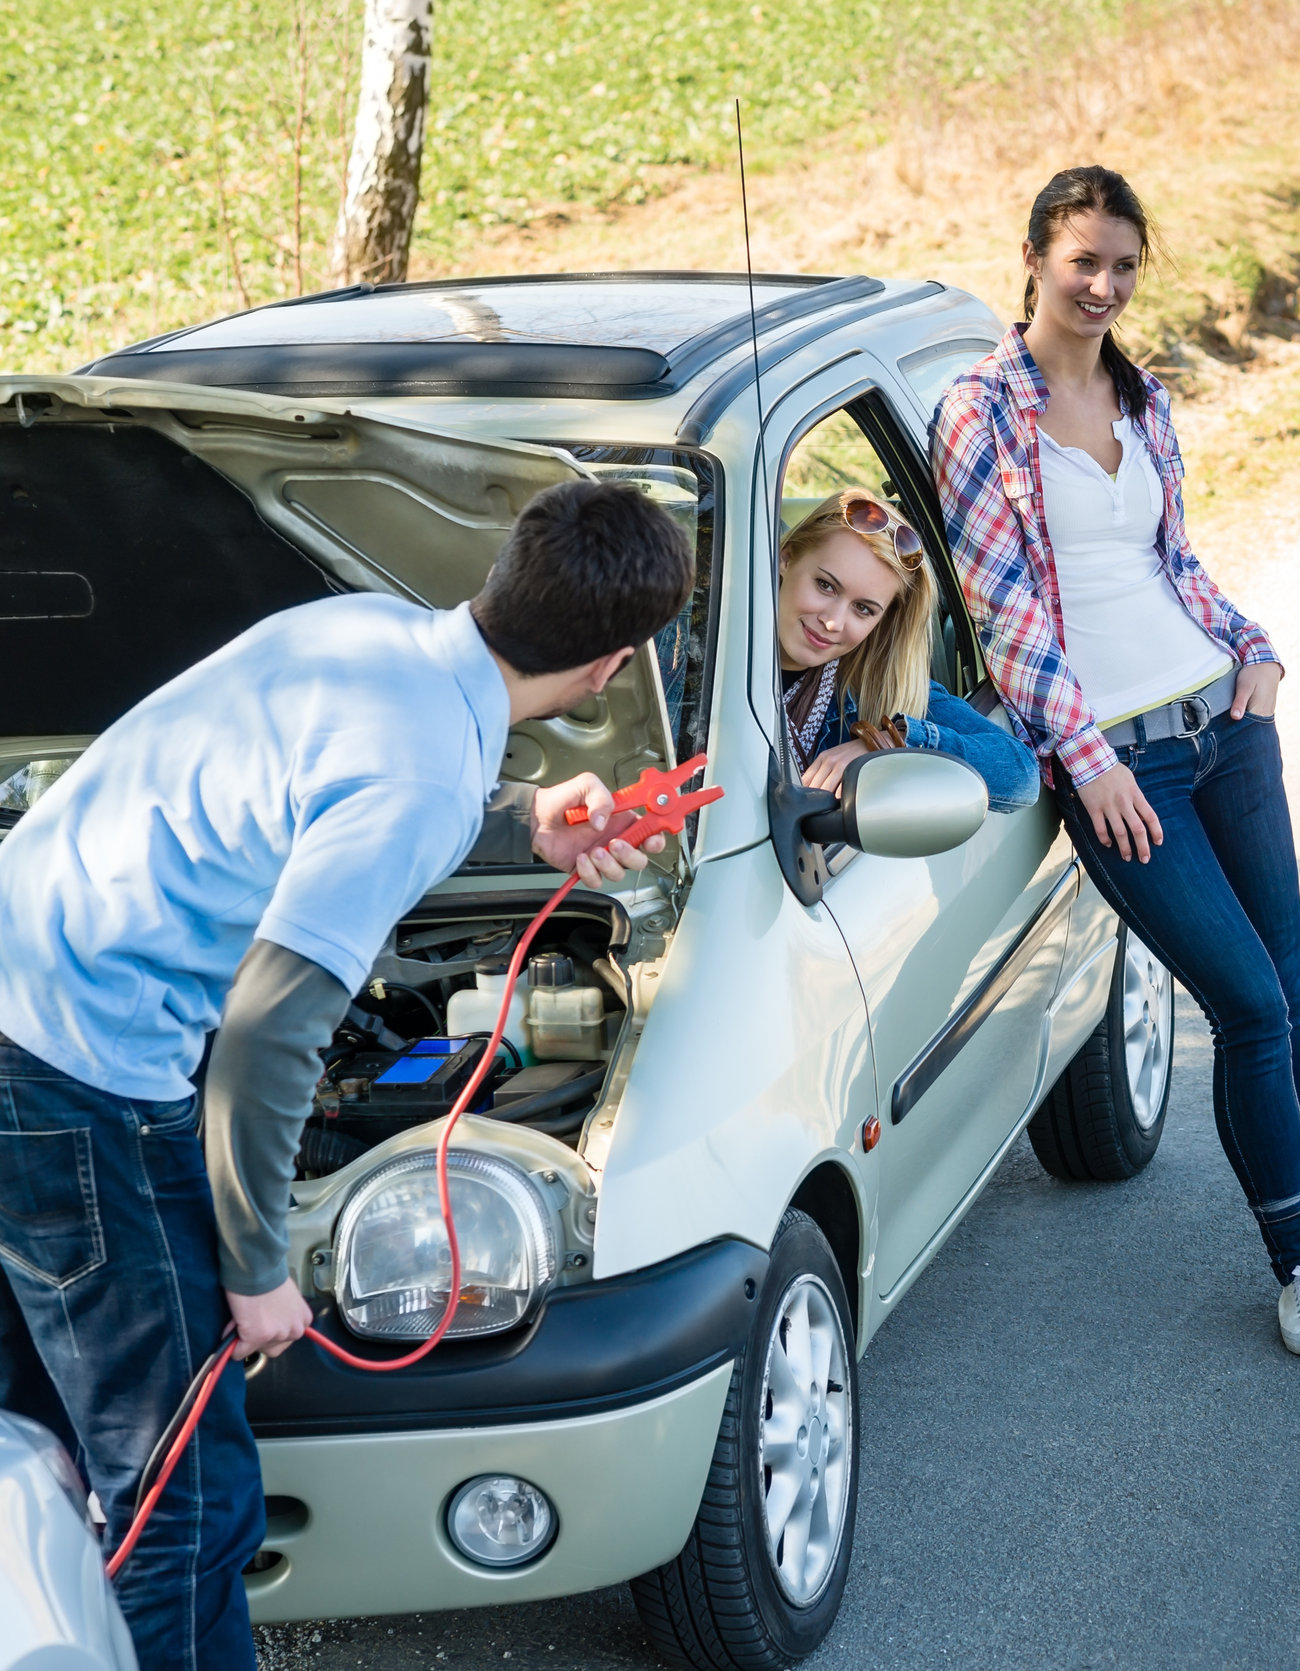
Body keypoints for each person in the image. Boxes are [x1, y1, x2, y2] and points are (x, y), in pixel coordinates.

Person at [0, 479, 693, 1671]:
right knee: (185, 1492)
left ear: (505, 566)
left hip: (22, 997)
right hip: (76, 1078)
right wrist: (261, 1266)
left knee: (33, 1435)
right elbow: (269, 1035)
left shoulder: (356, 628)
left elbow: (327, 787)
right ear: (611, 666)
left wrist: (524, 817)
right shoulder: (417, 774)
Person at [932, 164, 1300, 1361]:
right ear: (1036, 262)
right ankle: (1299, 1267)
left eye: (1121, 265)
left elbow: (1176, 565)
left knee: (1295, 992)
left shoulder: (1144, 399)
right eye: (1081, 263)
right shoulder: (980, 412)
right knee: (1247, 1004)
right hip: (1124, 769)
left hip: (1223, 724)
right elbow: (1007, 615)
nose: (1102, 286)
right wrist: (1084, 756)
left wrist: (1253, 650)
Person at [776, 487, 1037, 812]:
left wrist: (886, 744)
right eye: (825, 586)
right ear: (786, 557)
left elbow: (1021, 776)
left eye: (863, 609)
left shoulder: (873, 689)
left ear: (882, 620)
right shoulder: (703, 648)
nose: (832, 622)